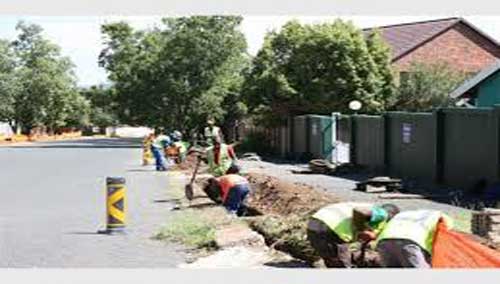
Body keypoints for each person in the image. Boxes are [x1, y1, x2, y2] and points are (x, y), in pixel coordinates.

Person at [307, 202, 400, 268]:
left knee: (333, 262)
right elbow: (359, 211)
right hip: (330, 228)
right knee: (343, 266)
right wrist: (361, 231)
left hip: (314, 224)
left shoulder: (370, 212)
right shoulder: (382, 213)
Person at [375, 209, 453, 268]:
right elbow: (444, 237)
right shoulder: (442, 217)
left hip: (383, 241)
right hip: (410, 242)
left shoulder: (403, 214)